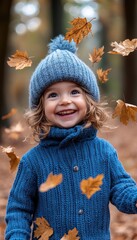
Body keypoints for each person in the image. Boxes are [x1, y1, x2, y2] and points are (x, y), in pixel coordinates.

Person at [5, 35, 137, 240]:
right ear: (40, 108)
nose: (65, 101)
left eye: (74, 92)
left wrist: (134, 199)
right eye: (53, 95)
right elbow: (19, 209)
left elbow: (120, 186)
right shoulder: (33, 162)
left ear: (89, 101)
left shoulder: (104, 152)